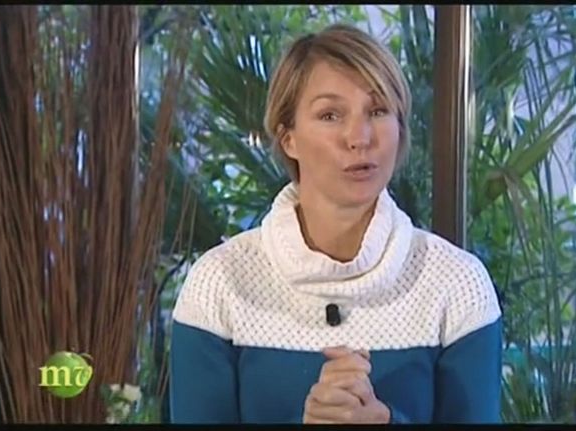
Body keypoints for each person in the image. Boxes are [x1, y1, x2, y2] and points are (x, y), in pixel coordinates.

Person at [169, 23, 503, 424]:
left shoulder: (456, 284)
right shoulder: (220, 283)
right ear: (288, 138)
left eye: (377, 111)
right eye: (330, 115)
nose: (359, 137)